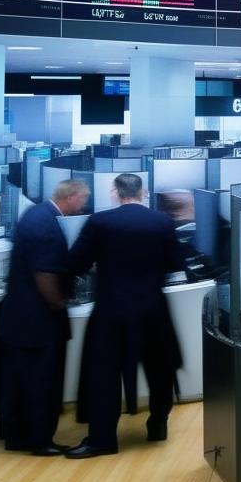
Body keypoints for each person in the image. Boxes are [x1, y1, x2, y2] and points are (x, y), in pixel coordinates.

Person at [64, 173, 185, 458]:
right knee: (159, 371)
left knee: (103, 375)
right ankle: (157, 426)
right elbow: (174, 262)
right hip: (153, 309)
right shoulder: (162, 222)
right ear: (142, 192)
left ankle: (103, 440)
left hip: (112, 310)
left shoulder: (100, 222)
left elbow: (75, 263)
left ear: (115, 192)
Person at [0, 179, 90, 455]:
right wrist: (60, 304)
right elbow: (45, 275)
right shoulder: (48, 226)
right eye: (82, 199)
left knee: (18, 381)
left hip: (19, 317)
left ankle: (16, 437)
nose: (83, 205)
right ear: (70, 197)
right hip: (39, 321)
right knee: (42, 381)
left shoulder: (36, 214)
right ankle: (40, 441)